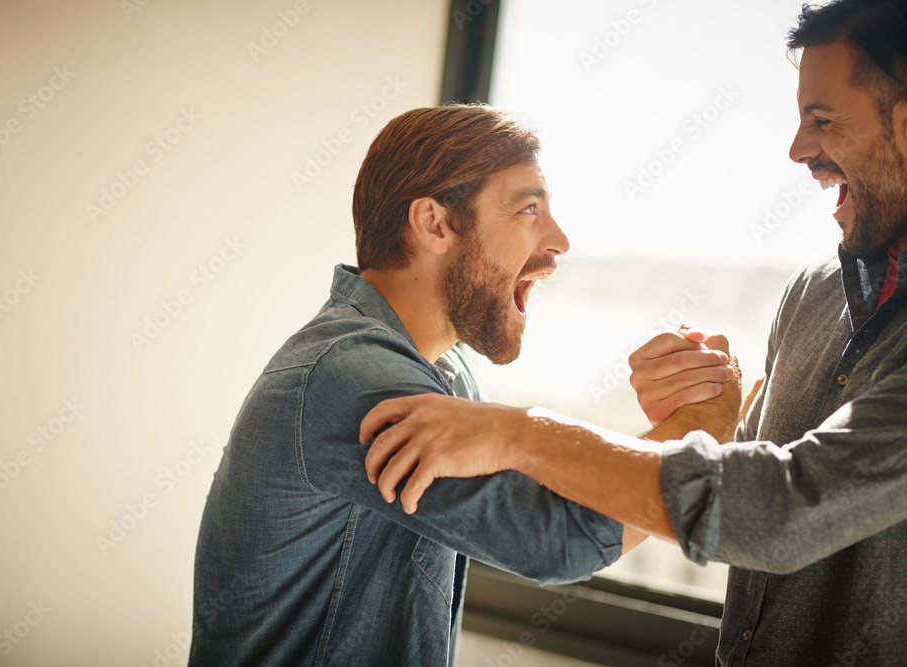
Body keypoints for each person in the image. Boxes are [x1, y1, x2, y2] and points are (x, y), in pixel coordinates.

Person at [361, 1, 907, 664]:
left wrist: (516, 431)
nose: (798, 150)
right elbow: (738, 475)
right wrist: (705, 413)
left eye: (821, 120)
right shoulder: (814, 292)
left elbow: (781, 510)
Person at [187, 104, 738, 666]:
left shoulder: (448, 374)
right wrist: (703, 422)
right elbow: (561, 534)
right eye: (528, 208)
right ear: (434, 222)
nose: (559, 241)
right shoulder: (349, 377)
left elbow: (556, 492)